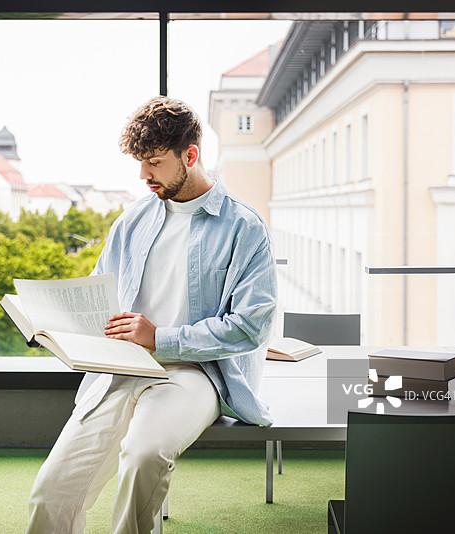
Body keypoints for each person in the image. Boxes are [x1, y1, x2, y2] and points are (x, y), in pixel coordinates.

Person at [26, 96, 277, 534]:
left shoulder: (245, 228)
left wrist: (159, 338)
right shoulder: (132, 220)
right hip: (122, 367)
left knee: (143, 457)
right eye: (141, 163)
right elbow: (98, 293)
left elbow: (251, 327)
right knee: (51, 491)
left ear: (190, 155)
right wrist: (52, 326)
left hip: (196, 373)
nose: (144, 175)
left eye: (155, 163)